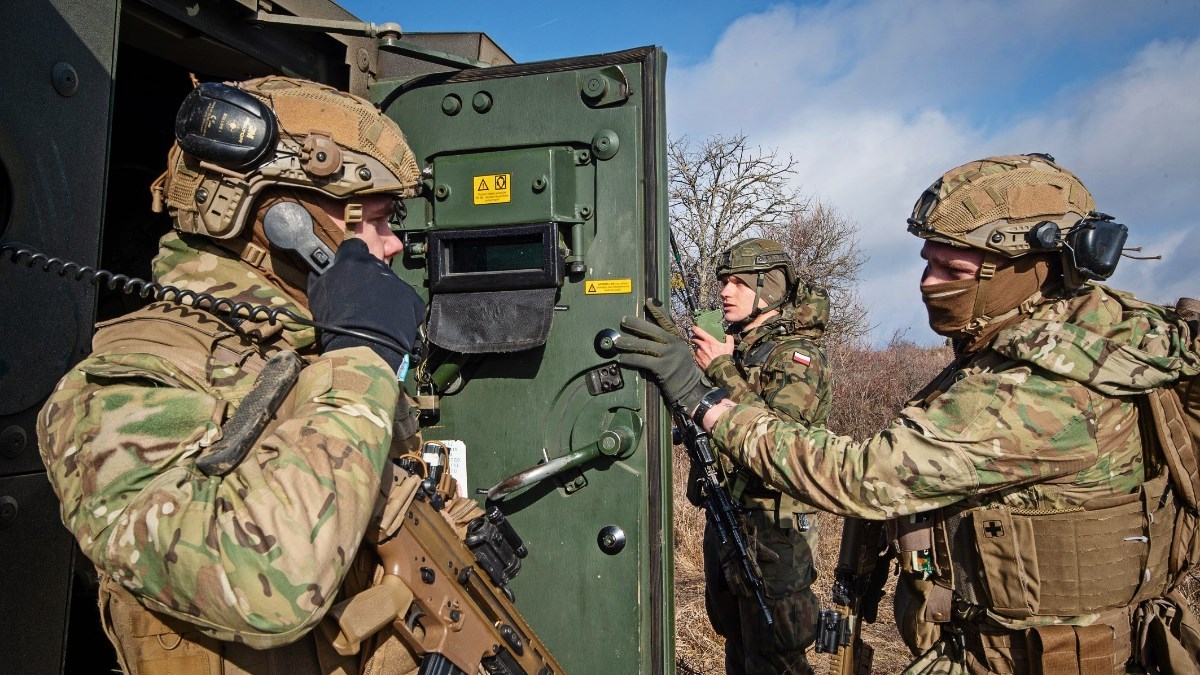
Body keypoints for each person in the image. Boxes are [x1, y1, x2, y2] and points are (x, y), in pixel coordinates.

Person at [616, 154, 1200, 673]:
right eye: (927, 262)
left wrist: (706, 397)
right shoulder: (1068, 340)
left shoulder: (1044, 386)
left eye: (953, 270)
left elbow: (866, 476)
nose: (927, 283)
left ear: (1029, 266)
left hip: (1041, 652)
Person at [37, 76, 438, 674]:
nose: (393, 244)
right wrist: (364, 355)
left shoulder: (308, 354)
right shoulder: (125, 385)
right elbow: (265, 587)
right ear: (283, 222)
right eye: (372, 220)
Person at [689, 238, 831, 674]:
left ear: (767, 288)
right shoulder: (741, 350)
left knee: (776, 656)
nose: (724, 292)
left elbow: (780, 440)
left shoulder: (797, 357)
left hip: (775, 530)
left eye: (736, 282)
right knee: (739, 645)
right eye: (722, 283)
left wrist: (721, 370)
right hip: (732, 519)